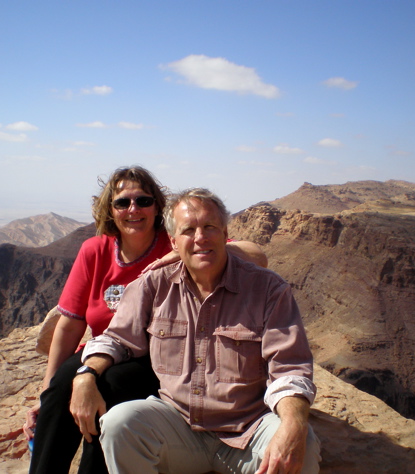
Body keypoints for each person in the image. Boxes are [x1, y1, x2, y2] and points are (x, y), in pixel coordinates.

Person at [23, 167, 267, 474]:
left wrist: (181, 253)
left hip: (162, 356)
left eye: (143, 200)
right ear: (109, 210)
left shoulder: (178, 240)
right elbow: (70, 323)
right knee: (64, 384)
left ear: (157, 207)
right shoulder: (95, 251)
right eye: (122, 203)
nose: (133, 209)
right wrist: (45, 395)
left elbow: (255, 255)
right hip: (107, 350)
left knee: (109, 389)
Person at [77, 188, 321, 474]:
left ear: (225, 232)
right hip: (177, 425)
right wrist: (86, 377)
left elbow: (290, 368)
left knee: (303, 450)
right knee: (120, 424)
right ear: (173, 241)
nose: (200, 238)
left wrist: (292, 427)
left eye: (209, 227)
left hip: (250, 428)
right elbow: (117, 339)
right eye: (188, 230)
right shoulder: (154, 285)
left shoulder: (268, 289)